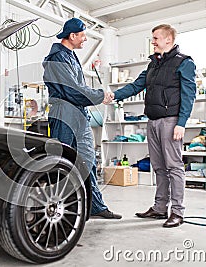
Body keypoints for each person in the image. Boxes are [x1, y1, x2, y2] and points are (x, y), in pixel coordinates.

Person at [111, 24, 196, 227]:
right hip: (153, 121)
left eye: (156, 38)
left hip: (171, 121)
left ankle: (177, 212)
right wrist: (113, 95)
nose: (153, 42)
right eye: (153, 38)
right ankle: (160, 208)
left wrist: (181, 123)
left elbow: (189, 95)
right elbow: (135, 86)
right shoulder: (153, 65)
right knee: (158, 167)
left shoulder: (184, 62)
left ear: (169, 39)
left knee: (174, 167)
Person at [43, 18, 121, 219]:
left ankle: (95, 206)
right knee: (61, 162)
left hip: (79, 114)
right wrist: (99, 95)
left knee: (87, 161)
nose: (85, 39)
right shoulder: (57, 58)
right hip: (64, 114)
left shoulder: (70, 56)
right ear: (73, 36)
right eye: (83, 35)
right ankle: (56, 207)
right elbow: (71, 90)